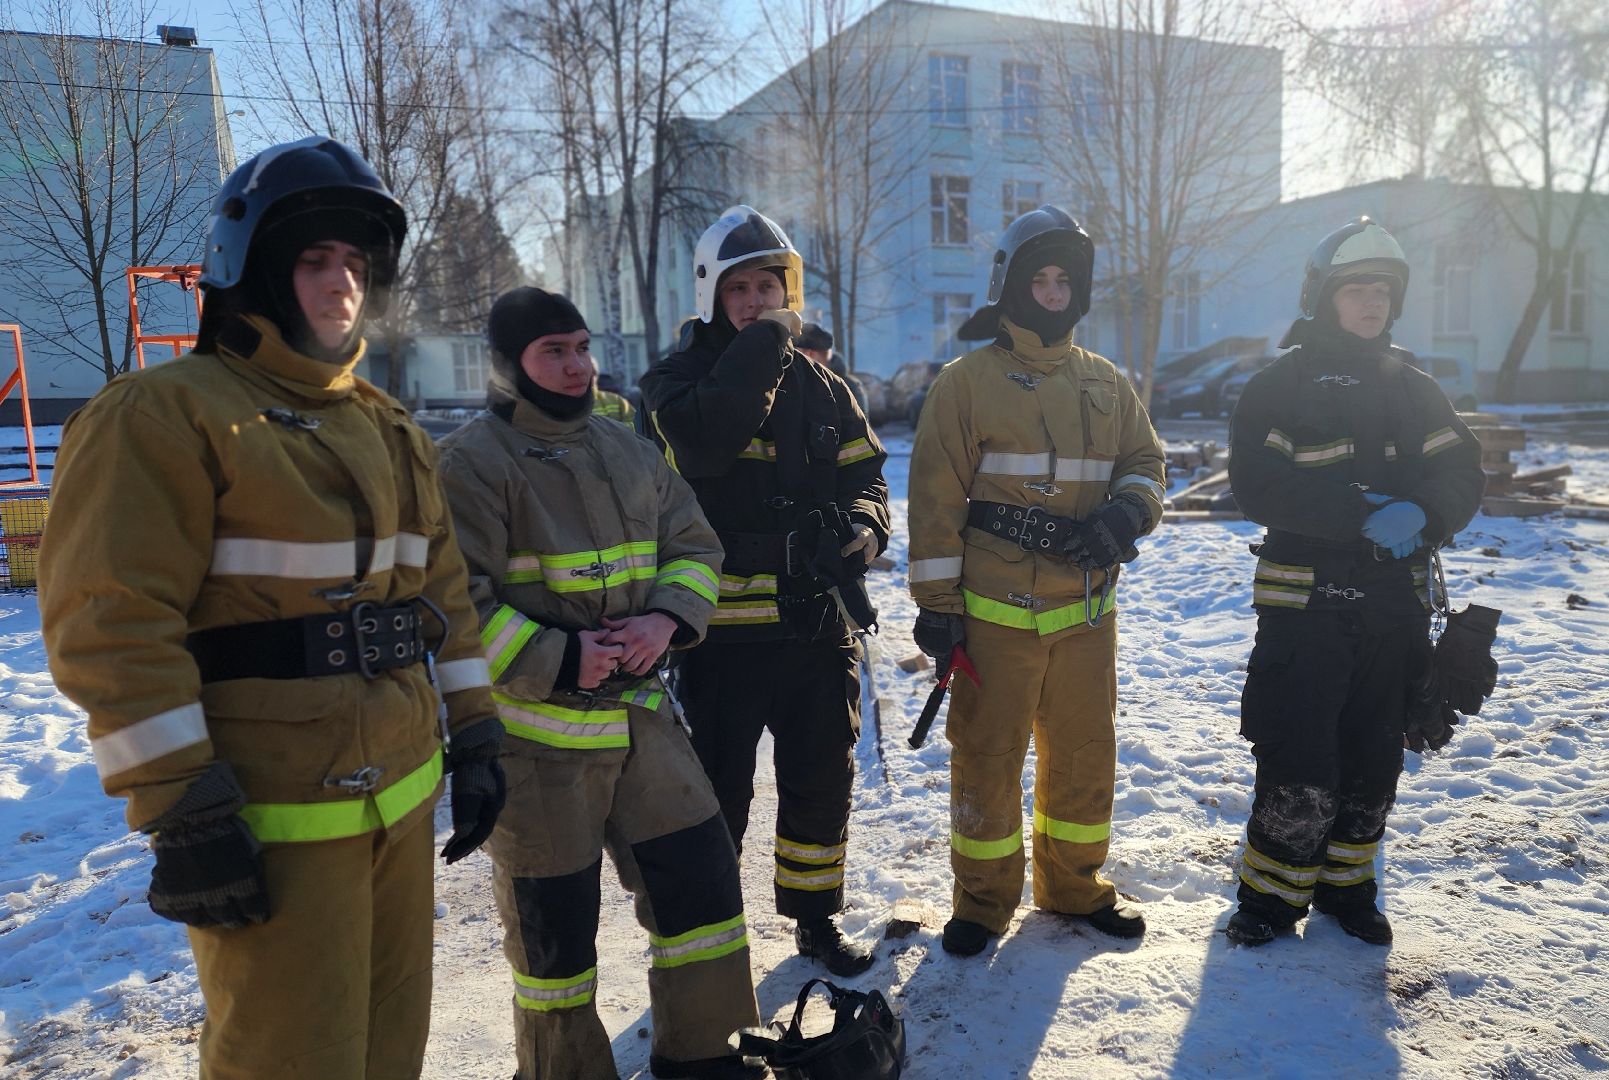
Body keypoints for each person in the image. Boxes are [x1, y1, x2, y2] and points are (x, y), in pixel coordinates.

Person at [37, 136, 504, 1079]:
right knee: (289, 1061)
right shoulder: (164, 413)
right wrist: (184, 810)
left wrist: (479, 730)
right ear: (246, 269)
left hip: (403, 798)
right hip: (266, 816)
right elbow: (110, 623)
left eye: (355, 265)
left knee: (388, 1052)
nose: (340, 285)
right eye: (312, 259)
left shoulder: (387, 425)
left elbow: (439, 596)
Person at [438, 287, 762, 1080]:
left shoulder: (627, 446)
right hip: (538, 747)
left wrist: (666, 623)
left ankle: (704, 1054)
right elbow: (450, 600)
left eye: (582, 347)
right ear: (510, 365)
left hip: (645, 725)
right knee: (555, 938)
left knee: (702, 893)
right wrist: (560, 655)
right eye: (555, 351)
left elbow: (695, 545)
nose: (578, 366)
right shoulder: (470, 464)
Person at [906, 205, 1166, 957]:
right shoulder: (965, 383)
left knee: (1085, 752)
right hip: (994, 616)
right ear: (1009, 288)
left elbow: (1146, 464)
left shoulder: (1105, 381)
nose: (1052, 292)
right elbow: (934, 499)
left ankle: (1075, 887)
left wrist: (1127, 513)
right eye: (1038, 278)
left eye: (1065, 280)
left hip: (1085, 613)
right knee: (986, 758)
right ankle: (982, 903)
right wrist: (936, 608)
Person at [641, 206, 890, 977]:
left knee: (820, 782)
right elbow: (709, 442)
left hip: (816, 628)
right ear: (712, 293)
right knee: (717, 795)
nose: (754, 300)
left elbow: (867, 475)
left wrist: (864, 527)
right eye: (739, 287)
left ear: (791, 288)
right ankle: (713, 939)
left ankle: (814, 922)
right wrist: (764, 346)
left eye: (769, 286)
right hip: (719, 637)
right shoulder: (674, 379)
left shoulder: (824, 386)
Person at [1224, 217, 1484, 947]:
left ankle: (1347, 888)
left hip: (1391, 607)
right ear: (1323, 296)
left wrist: (1425, 512)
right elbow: (1255, 484)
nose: (1371, 303)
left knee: (1372, 752)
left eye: (1382, 291)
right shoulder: (1279, 385)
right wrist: (1352, 514)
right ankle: (1270, 899)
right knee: (1298, 752)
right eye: (1356, 290)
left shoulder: (1415, 389)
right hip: (1301, 604)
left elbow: (1463, 470)